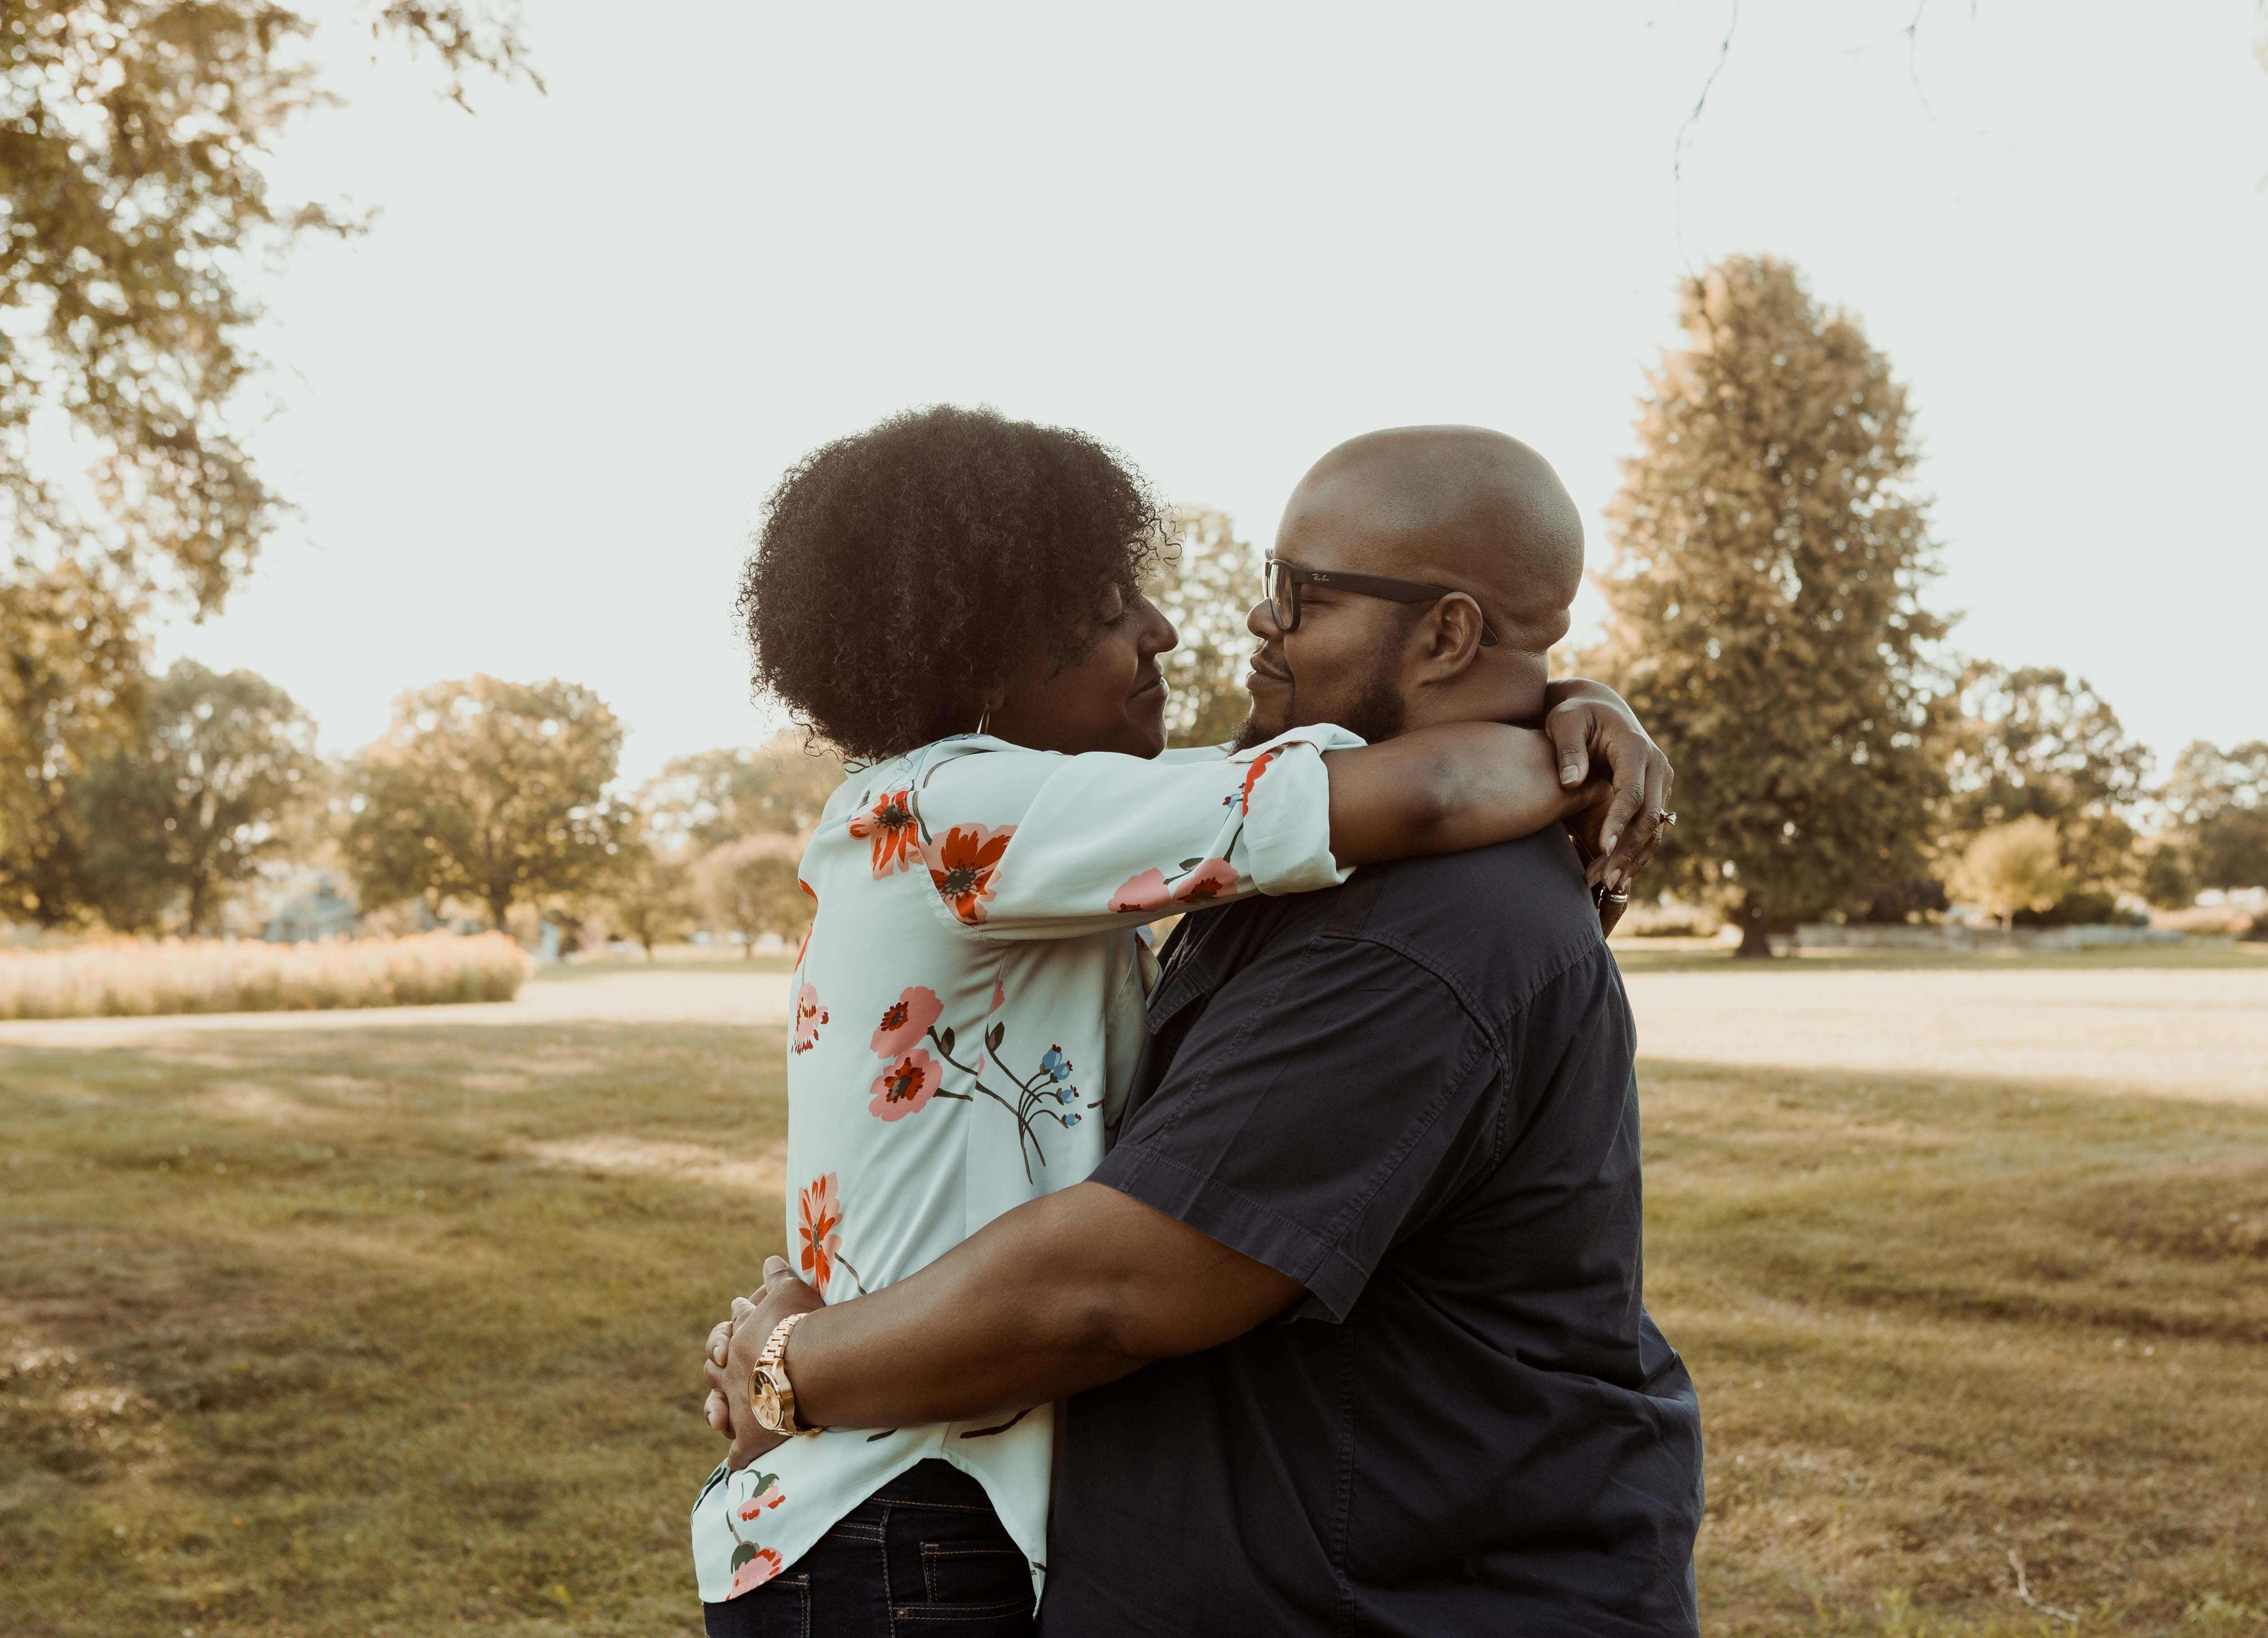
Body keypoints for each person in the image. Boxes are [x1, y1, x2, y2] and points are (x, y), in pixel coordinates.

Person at [690, 407, 1674, 1635]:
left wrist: (1575, 704)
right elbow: (1398, 787)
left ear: (1447, 632)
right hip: (898, 1507)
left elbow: (1119, 1287)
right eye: (1109, 611)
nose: (1215, 623)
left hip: (931, 1485)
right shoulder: (958, 814)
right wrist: (1570, 739)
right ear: (989, 658)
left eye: (1298, 592)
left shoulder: (1411, 924)